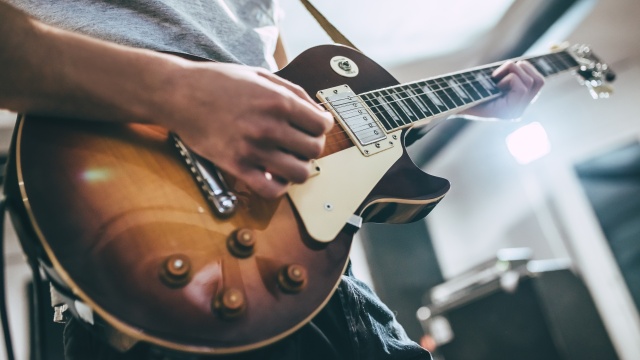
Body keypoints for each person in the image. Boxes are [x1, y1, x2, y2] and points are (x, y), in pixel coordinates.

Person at [0, 1, 545, 359]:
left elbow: (306, 105)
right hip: (154, 255)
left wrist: (446, 105)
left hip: (309, 265)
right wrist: (176, 93)